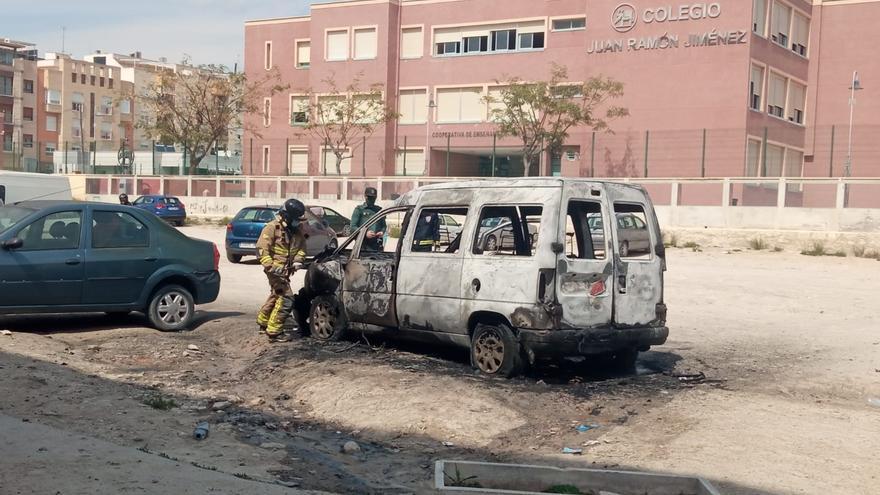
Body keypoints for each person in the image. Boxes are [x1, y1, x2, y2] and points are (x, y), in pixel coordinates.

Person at [256, 199, 308, 342]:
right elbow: (262, 249)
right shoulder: (272, 228)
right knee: (287, 299)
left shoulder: (296, 232)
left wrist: (298, 261)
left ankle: (263, 321)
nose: (298, 222)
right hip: (274, 271)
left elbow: (302, 248)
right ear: (287, 216)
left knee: (277, 294)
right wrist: (270, 266)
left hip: (286, 271)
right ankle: (274, 332)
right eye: (296, 219)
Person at [350, 187, 385, 251]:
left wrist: (382, 232)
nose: (372, 200)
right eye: (370, 197)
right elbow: (352, 227)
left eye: (373, 198)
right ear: (365, 196)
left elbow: (383, 225)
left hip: (376, 245)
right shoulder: (359, 210)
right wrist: (365, 233)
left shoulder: (379, 210)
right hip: (363, 246)